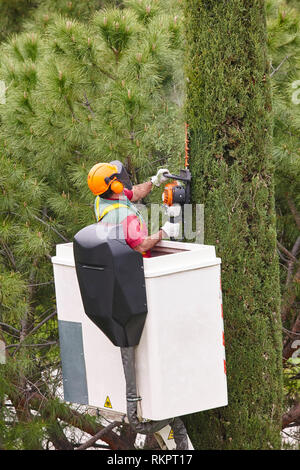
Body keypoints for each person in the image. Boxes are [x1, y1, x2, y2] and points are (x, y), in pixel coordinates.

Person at [87, 160, 179, 256]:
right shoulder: (124, 216)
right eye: (118, 179)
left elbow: (135, 192)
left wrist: (154, 181)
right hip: (138, 264)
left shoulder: (102, 199)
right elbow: (141, 246)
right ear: (115, 186)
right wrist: (164, 232)